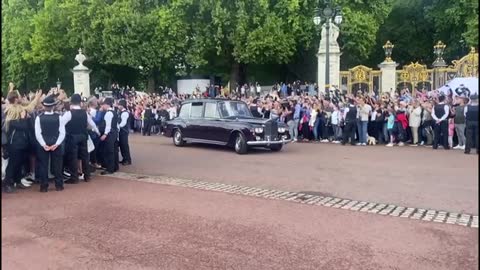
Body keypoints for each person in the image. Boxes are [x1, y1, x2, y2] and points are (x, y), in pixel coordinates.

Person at [3, 89, 42, 193]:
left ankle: (17, 180)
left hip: (22, 141)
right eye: (18, 97)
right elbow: (22, 126)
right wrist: (24, 118)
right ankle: (7, 183)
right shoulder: (11, 110)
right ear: (15, 99)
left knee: (20, 162)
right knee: (13, 163)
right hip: (14, 142)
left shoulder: (18, 107)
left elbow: (29, 107)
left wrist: (37, 98)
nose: (20, 98)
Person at [62, 94, 99, 184]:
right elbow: (92, 123)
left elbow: (61, 124)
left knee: (73, 157)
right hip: (83, 136)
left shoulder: (69, 113)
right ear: (80, 102)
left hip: (72, 137)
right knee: (85, 156)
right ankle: (87, 176)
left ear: (71, 102)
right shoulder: (84, 113)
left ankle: (74, 177)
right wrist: (97, 131)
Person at [34, 95, 66, 192]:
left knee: (43, 165)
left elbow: (37, 133)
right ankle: (59, 185)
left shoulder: (39, 118)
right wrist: (57, 143)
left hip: (43, 144)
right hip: (56, 142)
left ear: (44, 106)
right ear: (53, 106)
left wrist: (44, 144)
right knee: (58, 165)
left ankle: (44, 186)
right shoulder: (59, 117)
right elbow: (62, 132)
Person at [99, 98, 118, 175]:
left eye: (103, 104)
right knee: (114, 150)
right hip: (114, 132)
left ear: (106, 104)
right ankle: (115, 166)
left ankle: (110, 168)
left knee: (109, 151)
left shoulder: (108, 113)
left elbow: (108, 125)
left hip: (110, 133)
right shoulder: (114, 112)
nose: (102, 106)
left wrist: (105, 134)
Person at [117, 99, 132, 165]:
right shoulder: (120, 112)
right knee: (122, 146)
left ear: (122, 105)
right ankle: (124, 158)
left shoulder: (125, 113)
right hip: (121, 131)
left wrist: (118, 127)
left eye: (119, 105)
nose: (118, 106)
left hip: (124, 131)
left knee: (124, 146)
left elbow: (123, 122)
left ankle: (127, 160)